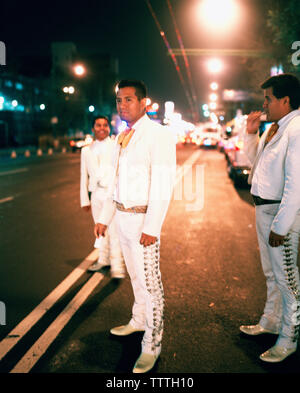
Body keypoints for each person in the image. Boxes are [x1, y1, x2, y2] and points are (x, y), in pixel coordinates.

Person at [94, 80, 176, 373]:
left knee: (151, 285)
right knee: (136, 279)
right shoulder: (122, 136)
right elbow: (114, 181)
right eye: (118, 100)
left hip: (143, 222)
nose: (122, 105)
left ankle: (152, 346)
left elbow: (163, 184)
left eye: (128, 100)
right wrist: (104, 218)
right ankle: (138, 321)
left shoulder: (158, 135)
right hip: (123, 219)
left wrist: (152, 226)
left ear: (143, 103)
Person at [241, 73, 300, 362]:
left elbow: (296, 182)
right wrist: (251, 133)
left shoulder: (297, 128)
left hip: (281, 213)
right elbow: (257, 165)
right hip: (264, 209)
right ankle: (271, 321)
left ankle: (290, 337)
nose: (264, 104)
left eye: (269, 98)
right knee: (270, 273)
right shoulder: (275, 128)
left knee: (287, 276)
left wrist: (282, 224)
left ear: (286, 100)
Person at [80, 115, 125, 278]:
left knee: (113, 230)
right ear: (93, 128)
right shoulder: (86, 150)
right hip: (96, 194)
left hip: (111, 194)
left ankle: (117, 265)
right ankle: (103, 259)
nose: (102, 128)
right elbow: (83, 176)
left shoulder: (116, 146)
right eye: (98, 125)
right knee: (99, 230)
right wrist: (84, 200)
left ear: (109, 128)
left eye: (105, 125)